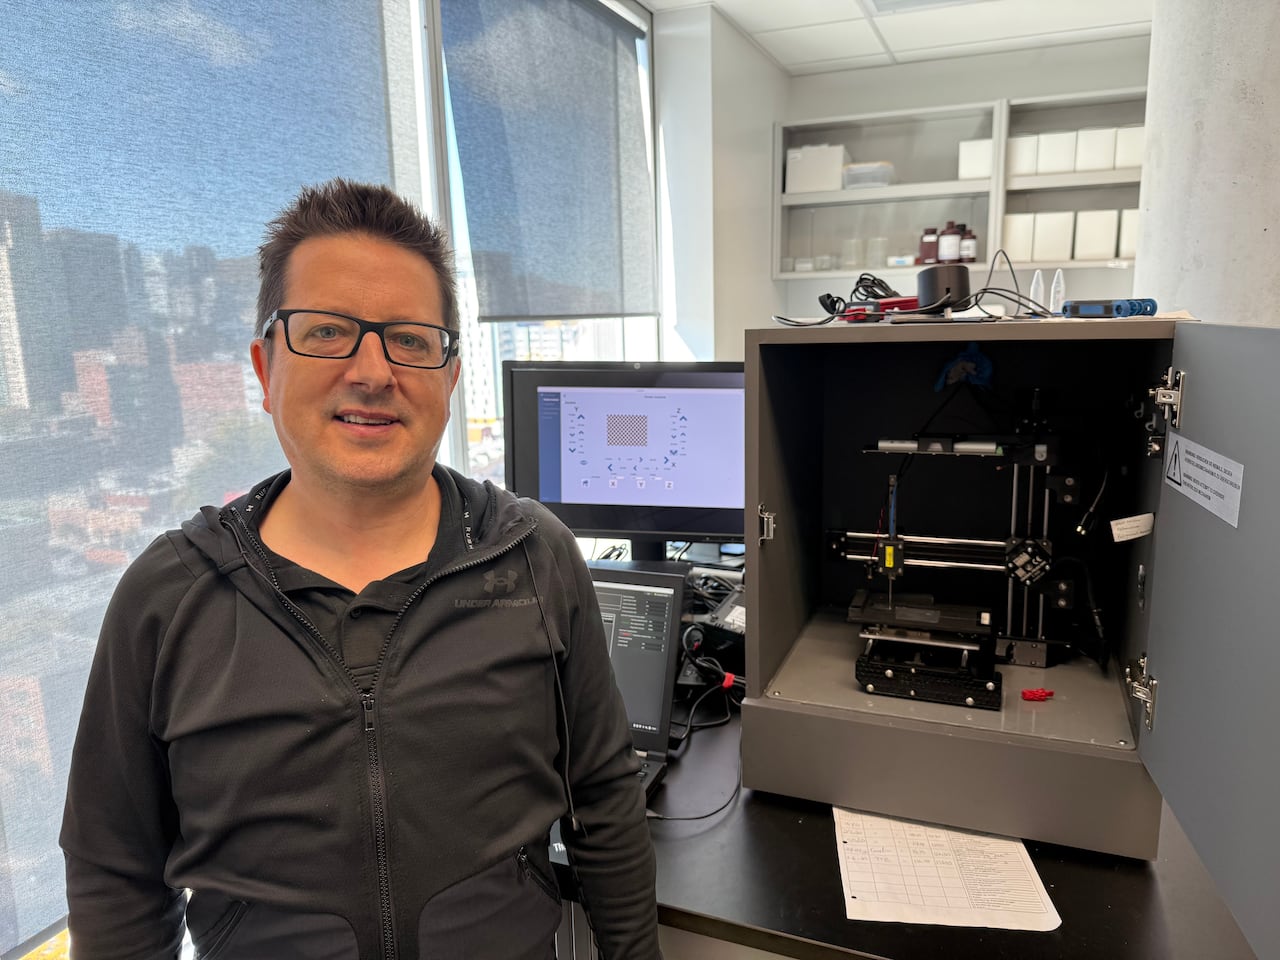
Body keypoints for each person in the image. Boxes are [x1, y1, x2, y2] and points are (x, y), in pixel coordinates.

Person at [60, 178, 661, 959]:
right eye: (327, 331)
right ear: (263, 366)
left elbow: (606, 802)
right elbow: (115, 873)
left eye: (410, 339)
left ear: (449, 375)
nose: (373, 371)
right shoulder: (169, 599)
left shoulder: (534, 559)